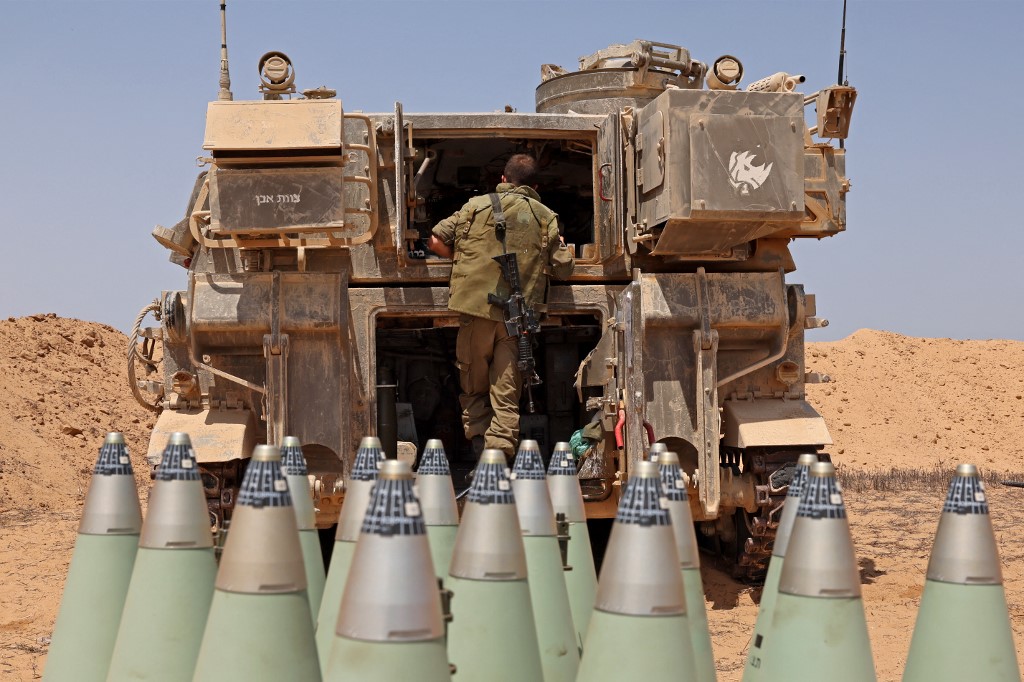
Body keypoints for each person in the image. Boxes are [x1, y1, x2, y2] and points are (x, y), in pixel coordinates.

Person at [427, 154, 574, 457]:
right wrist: (559, 243)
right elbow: (563, 269)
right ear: (534, 185)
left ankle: (481, 451)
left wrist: (463, 258)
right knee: (507, 394)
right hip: (516, 320)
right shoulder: (545, 216)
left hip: (476, 312)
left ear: (504, 179)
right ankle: (499, 461)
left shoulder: (474, 206)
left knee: (473, 386)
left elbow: (435, 240)